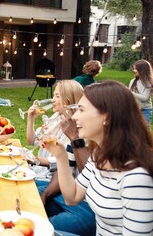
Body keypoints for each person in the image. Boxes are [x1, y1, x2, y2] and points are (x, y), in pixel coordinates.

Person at [44, 81, 153, 235]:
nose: (74, 117)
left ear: (107, 117)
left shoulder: (136, 178)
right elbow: (72, 197)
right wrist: (60, 156)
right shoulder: (98, 156)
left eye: (81, 110)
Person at [25, 80, 95, 235]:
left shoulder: (83, 135)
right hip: (72, 196)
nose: (76, 116)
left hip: (89, 210)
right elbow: (69, 177)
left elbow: (85, 180)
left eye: (81, 110)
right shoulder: (72, 130)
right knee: (25, 195)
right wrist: (45, 195)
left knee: (34, 228)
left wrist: (75, 139)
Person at [129, 59, 153, 124]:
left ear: (142, 70)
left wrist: (131, 93)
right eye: (134, 68)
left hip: (145, 110)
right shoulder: (132, 81)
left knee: (144, 128)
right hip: (135, 109)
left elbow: (145, 98)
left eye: (136, 69)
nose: (134, 71)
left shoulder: (148, 83)